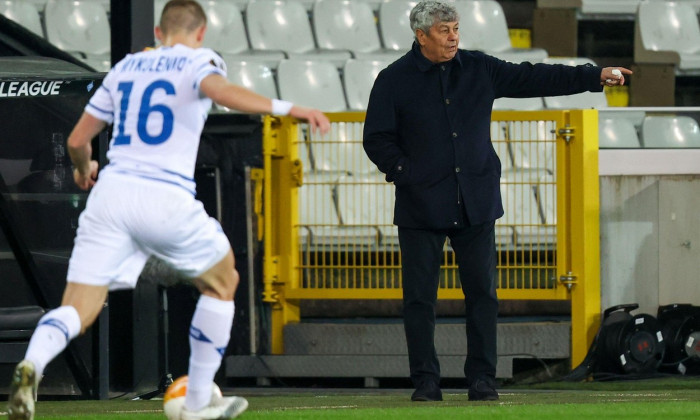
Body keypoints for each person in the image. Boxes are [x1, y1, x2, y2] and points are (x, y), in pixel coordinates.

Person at [7, 1, 330, 419]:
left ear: (158, 34)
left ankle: (32, 363)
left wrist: (83, 167)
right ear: (200, 33)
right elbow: (220, 92)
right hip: (164, 195)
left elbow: (76, 139)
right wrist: (290, 108)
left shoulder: (124, 69)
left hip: (112, 195)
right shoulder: (199, 60)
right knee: (223, 280)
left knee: (79, 308)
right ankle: (196, 403)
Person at [362, 0, 630, 403]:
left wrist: (595, 76)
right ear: (421, 36)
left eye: (456, 29)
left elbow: (536, 77)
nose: (454, 37)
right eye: (445, 30)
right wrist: (406, 173)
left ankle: (482, 380)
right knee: (420, 299)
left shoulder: (479, 68)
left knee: (483, 296)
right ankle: (426, 382)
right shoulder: (392, 79)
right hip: (420, 206)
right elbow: (376, 138)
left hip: (477, 202)